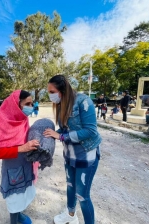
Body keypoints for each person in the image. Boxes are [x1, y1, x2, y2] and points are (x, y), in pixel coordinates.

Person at [43, 75, 101, 224]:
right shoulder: (61, 104)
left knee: (82, 196)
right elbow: (64, 129)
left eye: (52, 91)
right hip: (70, 154)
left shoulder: (83, 101)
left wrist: (61, 137)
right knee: (70, 187)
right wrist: (50, 134)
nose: (50, 95)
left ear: (62, 90)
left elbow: (90, 131)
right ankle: (70, 215)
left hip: (86, 155)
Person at [0, 90, 40, 224]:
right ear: (16, 104)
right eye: (27, 103)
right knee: (15, 197)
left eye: (31, 103)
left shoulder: (22, 118)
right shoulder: (3, 120)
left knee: (24, 194)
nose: (31, 106)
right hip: (13, 167)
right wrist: (21, 148)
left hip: (26, 163)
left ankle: (19, 215)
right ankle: (14, 220)